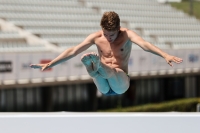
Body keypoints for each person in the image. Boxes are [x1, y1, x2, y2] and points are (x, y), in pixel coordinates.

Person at [30, 11, 183, 96]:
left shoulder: (127, 35)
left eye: (111, 34)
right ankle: (94, 68)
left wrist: (165, 55)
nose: (108, 38)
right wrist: (50, 64)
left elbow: (145, 45)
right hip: (103, 86)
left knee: (111, 71)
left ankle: (96, 66)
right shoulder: (97, 37)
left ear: (118, 29)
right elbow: (73, 51)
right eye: (105, 34)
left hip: (120, 82)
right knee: (98, 74)